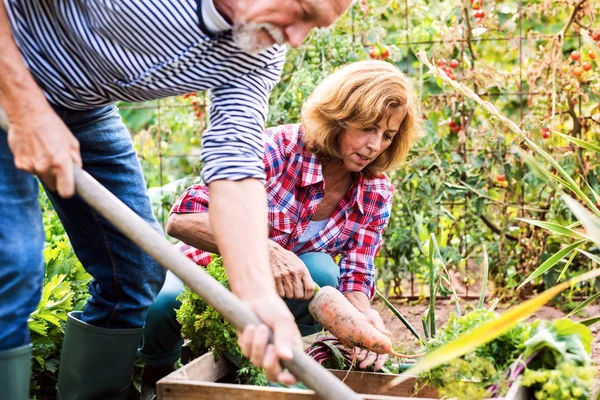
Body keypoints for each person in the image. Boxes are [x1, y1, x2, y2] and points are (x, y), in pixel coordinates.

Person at [0, 1, 353, 398]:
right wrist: (27, 108)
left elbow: (234, 167)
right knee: (11, 264)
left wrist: (256, 295)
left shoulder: (256, 50)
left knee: (134, 272)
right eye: (303, 11)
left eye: (314, 26)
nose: (296, 37)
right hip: (7, 67)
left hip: (79, 103)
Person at [139, 60, 423, 395]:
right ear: (339, 117)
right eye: (367, 128)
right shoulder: (275, 150)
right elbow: (183, 217)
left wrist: (362, 324)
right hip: (210, 266)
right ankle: (158, 378)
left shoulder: (375, 190)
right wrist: (264, 249)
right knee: (163, 304)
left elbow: (356, 277)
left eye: (388, 135)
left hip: (284, 293)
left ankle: (277, 371)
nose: (375, 146)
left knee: (322, 272)